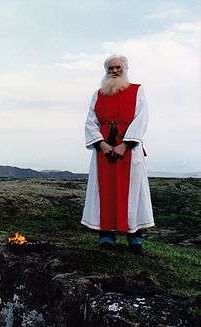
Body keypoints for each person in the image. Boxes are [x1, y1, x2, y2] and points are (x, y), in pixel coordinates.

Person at [81, 55, 154, 256]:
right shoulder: (98, 94)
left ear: (125, 68)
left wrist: (125, 145)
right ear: (106, 71)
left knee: (133, 192)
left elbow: (142, 118)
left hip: (130, 152)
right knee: (104, 192)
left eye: (118, 67)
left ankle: (135, 239)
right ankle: (106, 237)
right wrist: (102, 144)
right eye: (111, 68)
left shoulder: (137, 90)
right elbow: (90, 121)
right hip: (103, 152)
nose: (114, 71)